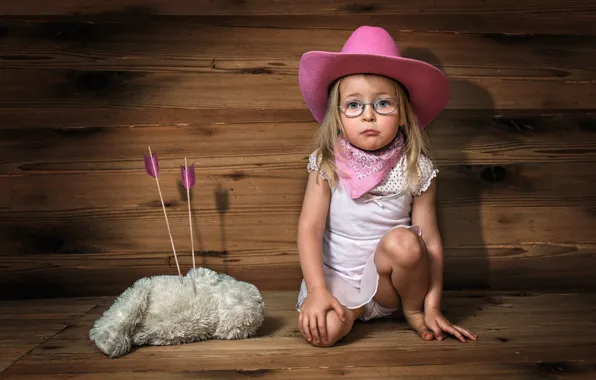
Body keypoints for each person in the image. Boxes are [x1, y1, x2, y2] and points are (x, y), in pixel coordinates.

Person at [295, 26, 477, 347]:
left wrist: (431, 305)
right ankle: (346, 312)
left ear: (404, 114)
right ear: (337, 117)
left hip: (388, 286)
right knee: (321, 334)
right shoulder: (326, 162)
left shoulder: (415, 168)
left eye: (382, 104)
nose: (368, 116)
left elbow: (431, 243)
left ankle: (411, 311)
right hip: (336, 281)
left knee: (405, 243)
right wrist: (318, 291)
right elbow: (310, 228)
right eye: (353, 105)